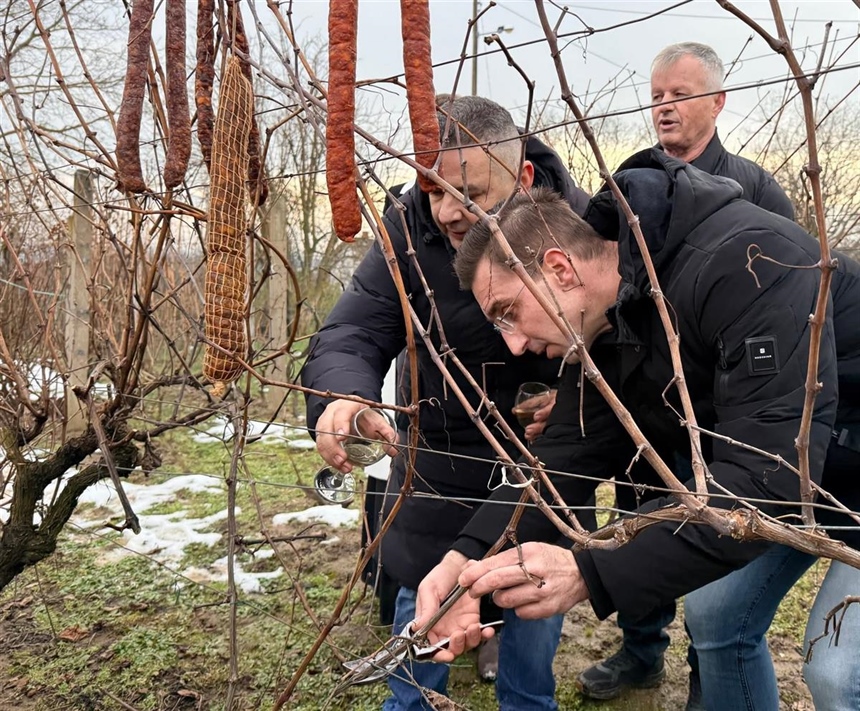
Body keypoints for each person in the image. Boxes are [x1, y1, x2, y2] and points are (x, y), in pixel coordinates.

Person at [414, 155, 860, 710]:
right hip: (804, 479)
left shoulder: (747, 263)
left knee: (839, 673)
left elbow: (768, 479)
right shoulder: (608, 322)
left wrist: (587, 571)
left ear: (560, 269)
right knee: (715, 615)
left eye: (508, 312)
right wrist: (465, 559)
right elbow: (564, 459)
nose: (514, 345)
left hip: (823, 469)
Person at [302, 95, 590, 711]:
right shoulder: (407, 231)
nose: (448, 211)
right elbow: (354, 327)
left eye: (470, 193)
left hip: (546, 467)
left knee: (530, 637)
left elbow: (624, 344)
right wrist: (344, 393)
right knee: (420, 621)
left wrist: (575, 399)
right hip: (438, 462)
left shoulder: (579, 226)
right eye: (432, 190)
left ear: (524, 177)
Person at [577, 41, 796, 706]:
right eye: (657, 96)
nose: (665, 107)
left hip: (720, 415)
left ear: (718, 101)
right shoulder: (629, 187)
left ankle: (712, 670)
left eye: (680, 94)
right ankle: (641, 651)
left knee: (710, 537)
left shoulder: (754, 188)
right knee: (640, 518)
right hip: (648, 403)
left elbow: (782, 302)